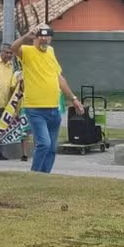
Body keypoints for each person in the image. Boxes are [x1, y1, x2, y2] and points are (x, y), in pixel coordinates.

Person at [11, 24, 84, 173]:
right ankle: (36, 174)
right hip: (35, 109)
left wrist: (73, 98)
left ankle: (45, 175)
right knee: (43, 143)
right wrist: (26, 36)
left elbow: (59, 78)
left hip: (53, 109)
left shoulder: (50, 52)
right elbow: (14, 47)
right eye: (41, 37)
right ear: (35, 38)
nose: (44, 40)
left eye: (48, 36)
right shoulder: (27, 51)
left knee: (51, 147)